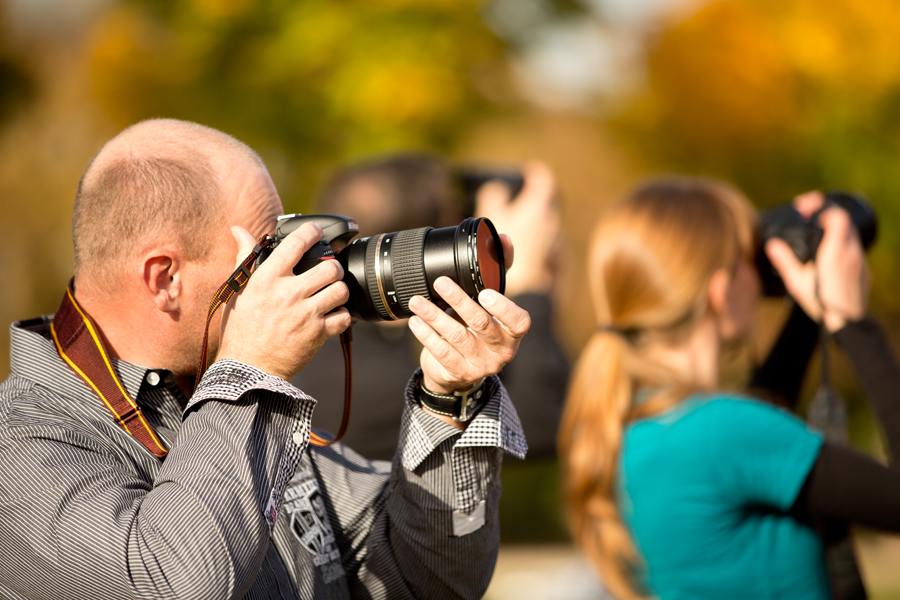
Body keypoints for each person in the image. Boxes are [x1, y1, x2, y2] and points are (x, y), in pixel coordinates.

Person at [0, 119, 532, 599]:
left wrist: (447, 398)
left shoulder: (222, 395)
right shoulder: (21, 440)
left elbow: (429, 580)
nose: (291, 272)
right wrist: (250, 374)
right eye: (266, 253)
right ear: (165, 279)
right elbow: (175, 583)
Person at [559, 176, 900, 600]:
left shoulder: (634, 423)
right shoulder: (727, 432)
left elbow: (756, 432)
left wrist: (812, 310)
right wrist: (855, 324)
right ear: (720, 291)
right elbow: (750, 436)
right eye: (749, 258)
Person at [295, 153, 569, 461]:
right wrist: (529, 285)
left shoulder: (311, 342)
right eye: (447, 234)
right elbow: (544, 425)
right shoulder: (372, 382)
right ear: (418, 250)